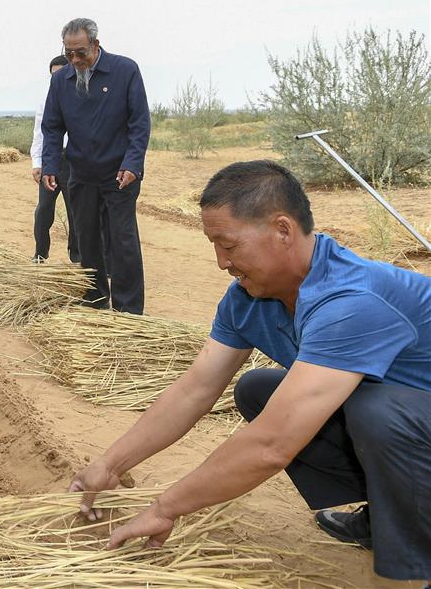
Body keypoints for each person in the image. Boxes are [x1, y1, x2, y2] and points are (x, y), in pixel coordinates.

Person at [69, 160, 431, 584]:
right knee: (259, 389)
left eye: (229, 244)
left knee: (377, 411)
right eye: (214, 245)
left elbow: (273, 444)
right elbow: (195, 389)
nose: (221, 261)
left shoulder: (350, 301)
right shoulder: (248, 297)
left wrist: (164, 508)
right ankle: (383, 513)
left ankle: (414, 562)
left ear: (282, 230)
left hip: (409, 420)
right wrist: (110, 465)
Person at [41, 18, 150, 313]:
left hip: (119, 174)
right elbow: (52, 127)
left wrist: (133, 163)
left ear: (96, 45)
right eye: (69, 54)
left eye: (81, 53)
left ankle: (128, 309)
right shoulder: (60, 80)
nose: (75, 60)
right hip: (81, 172)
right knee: (86, 238)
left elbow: (140, 123)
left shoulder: (125, 71)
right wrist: (50, 165)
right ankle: (95, 298)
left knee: (122, 240)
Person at [30, 55, 79, 263]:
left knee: (74, 211)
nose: (56, 79)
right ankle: (40, 253)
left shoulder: (80, 98)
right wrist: (37, 163)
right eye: (52, 75)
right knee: (43, 210)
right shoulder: (46, 101)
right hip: (51, 161)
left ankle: (77, 255)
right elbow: (39, 133)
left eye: (60, 74)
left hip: (74, 162)